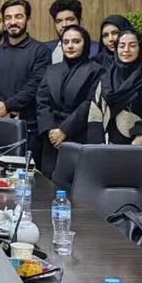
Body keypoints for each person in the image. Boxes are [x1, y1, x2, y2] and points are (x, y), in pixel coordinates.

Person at [0, 0, 49, 156]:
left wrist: (7, 106)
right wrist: (0, 110)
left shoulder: (41, 51)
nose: (13, 22)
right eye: (8, 17)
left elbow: (34, 86)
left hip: (29, 129)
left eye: (18, 17)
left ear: (28, 19)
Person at [36, 25, 102, 176]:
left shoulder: (96, 70)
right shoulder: (52, 69)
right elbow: (42, 100)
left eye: (76, 41)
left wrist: (64, 130)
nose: (70, 46)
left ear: (85, 44)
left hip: (79, 136)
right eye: (66, 42)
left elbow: (90, 104)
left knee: (77, 182)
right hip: (51, 139)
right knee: (49, 183)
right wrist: (51, 130)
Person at [88, 29, 142, 145]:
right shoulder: (106, 78)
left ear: (140, 49)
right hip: (107, 146)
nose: (126, 50)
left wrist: (133, 147)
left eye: (132, 46)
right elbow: (95, 111)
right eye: (122, 46)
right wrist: (98, 146)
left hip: (138, 147)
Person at [46, 0, 99, 64]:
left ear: (80, 21)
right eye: (59, 21)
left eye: (69, 19)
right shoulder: (45, 49)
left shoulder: (96, 50)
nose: (64, 24)